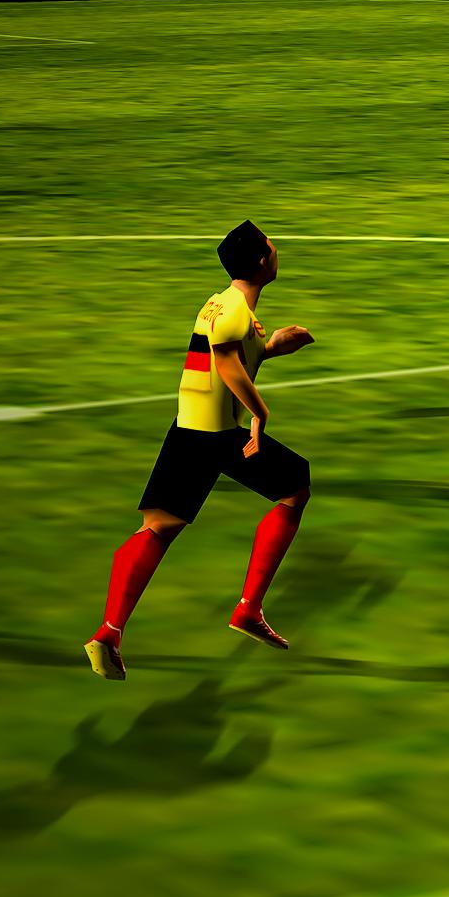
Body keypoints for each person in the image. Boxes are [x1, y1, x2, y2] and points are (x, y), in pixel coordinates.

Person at [85, 222, 316, 681]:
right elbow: (227, 367)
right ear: (262, 262)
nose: (276, 251)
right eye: (272, 247)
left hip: (187, 427)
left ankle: (108, 633)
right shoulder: (235, 313)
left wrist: (271, 347)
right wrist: (260, 415)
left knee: (157, 527)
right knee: (295, 486)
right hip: (217, 434)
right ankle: (248, 608)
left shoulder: (221, 304)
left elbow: (227, 356)